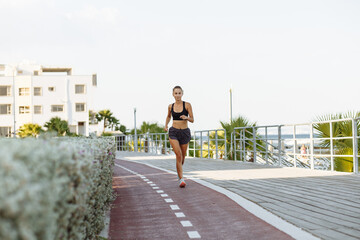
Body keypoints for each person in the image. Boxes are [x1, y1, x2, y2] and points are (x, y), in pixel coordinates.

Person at [164, 86, 194, 188]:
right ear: (173, 94)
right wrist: (166, 125)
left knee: (183, 157)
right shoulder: (170, 106)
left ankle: (179, 171)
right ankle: (181, 179)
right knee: (178, 154)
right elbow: (168, 116)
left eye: (179, 93)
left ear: (182, 94)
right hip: (174, 132)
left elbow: (192, 119)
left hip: (185, 132)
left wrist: (186, 117)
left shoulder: (187, 105)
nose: (177, 95)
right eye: (175, 93)